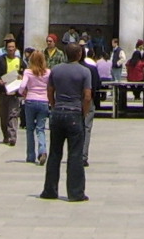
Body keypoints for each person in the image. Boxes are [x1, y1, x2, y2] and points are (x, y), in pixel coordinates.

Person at [38, 43, 91, 202]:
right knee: (75, 155)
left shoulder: (56, 70)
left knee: (55, 153)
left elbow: (49, 91)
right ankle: (75, 193)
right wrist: (84, 112)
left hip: (58, 112)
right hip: (74, 113)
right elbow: (87, 96)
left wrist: (54, 105)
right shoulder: (84, 71)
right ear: (80, 54)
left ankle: (50, 190)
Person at [16, 49, 51, 165]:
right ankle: (42, 150)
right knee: (40, 128)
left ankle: (30, 155)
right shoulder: (48, 72)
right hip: (43, 101)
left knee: (30, 129)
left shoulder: (28, 72)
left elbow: (22, 86)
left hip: (30, 100)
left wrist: (23, 93)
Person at [0, 34, 24, 147]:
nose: (11, 49)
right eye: (9, 47)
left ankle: (12, 136)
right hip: (2, 92)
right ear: (6, 48)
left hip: (14, 93)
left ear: (16, 49)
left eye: (13, 47)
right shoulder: (0, 61)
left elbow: (25, 74)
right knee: (4, 115)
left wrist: (21, 78)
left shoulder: (20, 61)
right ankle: (5, 134)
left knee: (13, 114)